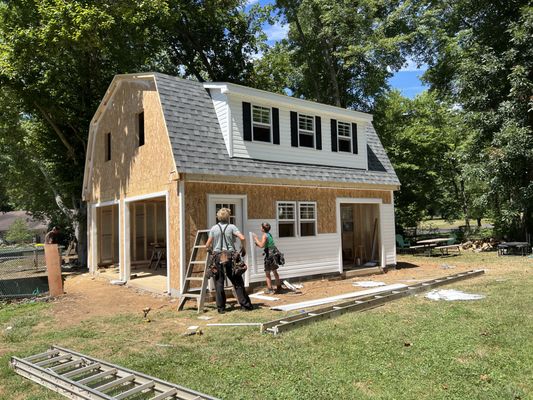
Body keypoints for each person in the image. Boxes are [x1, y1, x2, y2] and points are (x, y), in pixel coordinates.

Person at [205, 208, 253, 313]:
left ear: (218, 217)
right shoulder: (232, 227)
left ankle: (221, 308)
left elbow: (207, 245)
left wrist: (211, 252)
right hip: (230, 255)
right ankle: (245, 305)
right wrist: (243, 248)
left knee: (219, 282)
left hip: (218, 256)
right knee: (237, 281)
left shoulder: (214, 228)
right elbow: (243, 238)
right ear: (228, 217)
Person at [253, 222, 282, 294]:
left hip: (269, 256)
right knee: (275, 272)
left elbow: (262, 245)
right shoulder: (269, 234)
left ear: (263, 228)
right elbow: (266, 244)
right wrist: (258, 244)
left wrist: (256, 239)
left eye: (261, 227)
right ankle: (279, 287)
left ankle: (270, 289)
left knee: (267, 273)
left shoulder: (264, 235)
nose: (260, 228)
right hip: (274, 254)